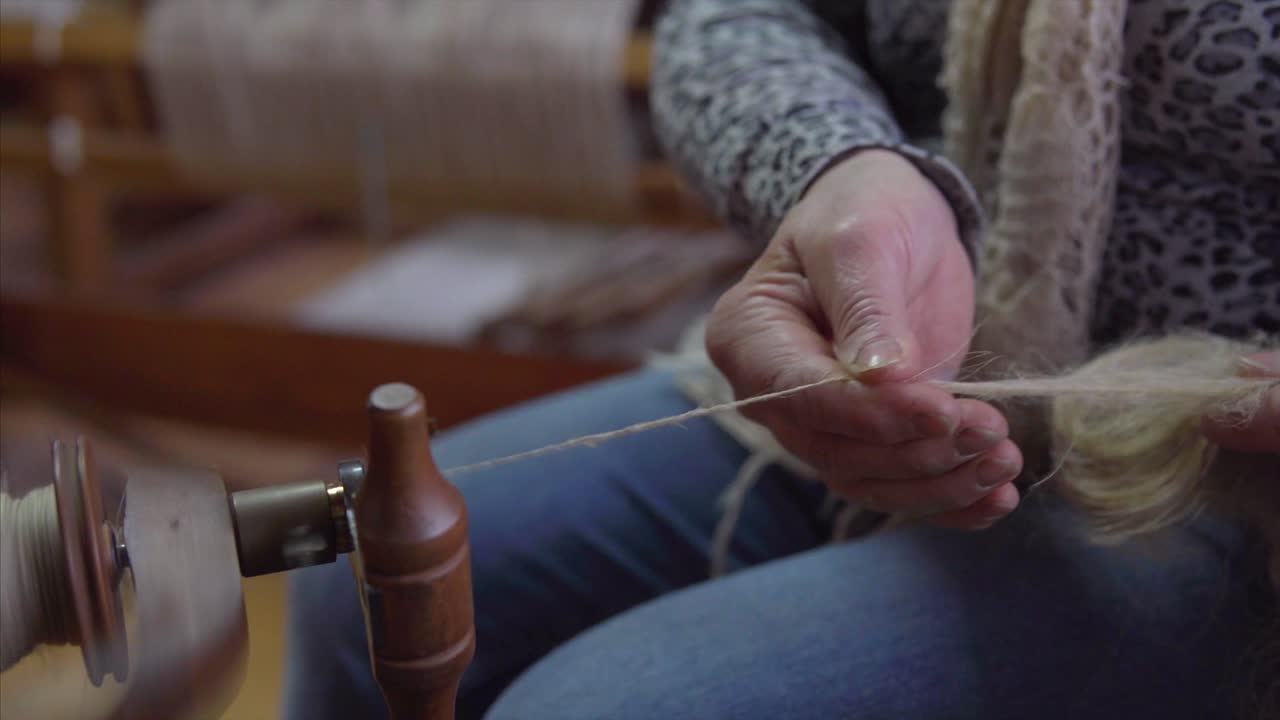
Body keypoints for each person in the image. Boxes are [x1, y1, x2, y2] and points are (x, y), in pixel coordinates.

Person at [283, 1, 1279, 718]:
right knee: (355, 582)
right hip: (890, 366)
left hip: (1220, 490)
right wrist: (838, 175)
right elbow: (736, 14)